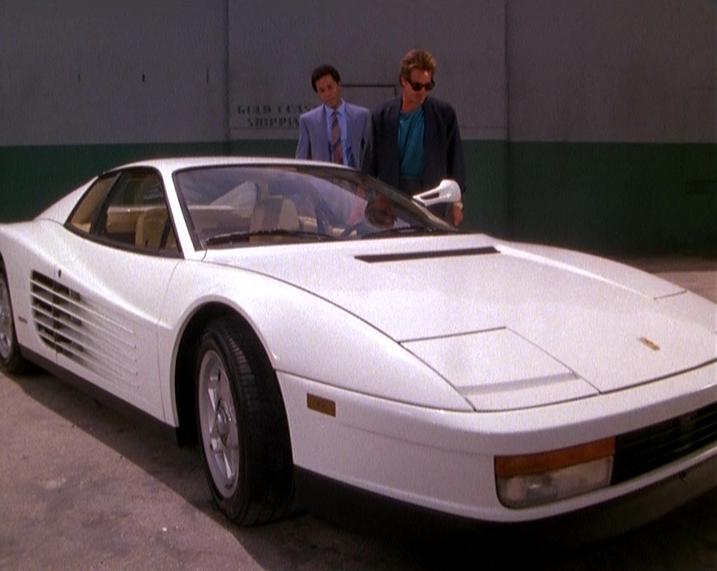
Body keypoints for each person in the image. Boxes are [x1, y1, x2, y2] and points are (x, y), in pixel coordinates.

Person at [364, 49, 465, 225]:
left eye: (428, 86)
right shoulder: (382, 115)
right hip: (392, 196)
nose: (422, 91)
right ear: (403, 81)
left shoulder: (444, 115)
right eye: (417, 86)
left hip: (431, 195)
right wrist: (366, 199)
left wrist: (457, 203)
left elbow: (455, 161)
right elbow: (369, 163)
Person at [296, 64, 371, 169]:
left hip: (353, 177)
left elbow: (370, 154)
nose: (328, 94)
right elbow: (301, 161)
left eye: (330, 87)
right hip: (322, 178)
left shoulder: (361, 116)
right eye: (322, 90)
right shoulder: (308, 121)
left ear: (339, 85)